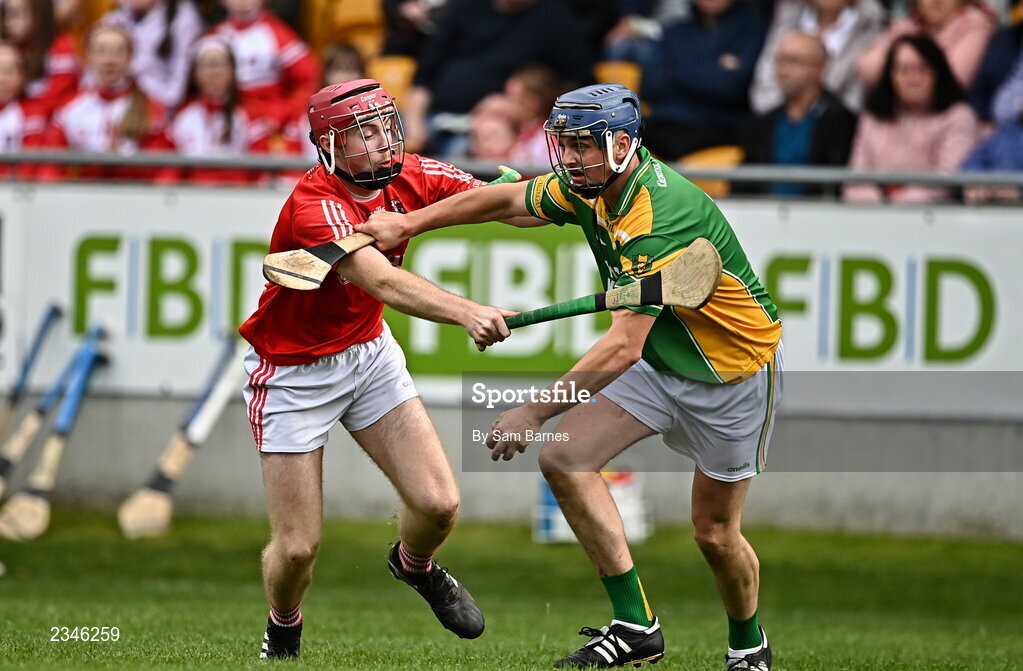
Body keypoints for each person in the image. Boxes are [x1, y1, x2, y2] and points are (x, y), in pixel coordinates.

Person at [359, 84, 783, 670]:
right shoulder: (593, 186)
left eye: (585, 145)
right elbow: (506, 203)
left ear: (624, 144)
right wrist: (409, 225)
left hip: (730, 374)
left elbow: (621, 347)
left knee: (714, 534)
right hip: (664, 356)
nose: (572, 156)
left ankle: (748, 647)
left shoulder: (656, 216)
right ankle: (636, 626)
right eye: (565, 144)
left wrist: (533, 412)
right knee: (565, 459)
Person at [238, 78, 518, 660]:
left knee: (439, 504)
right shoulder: (315, 205)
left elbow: (508, 205)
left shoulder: (412, 173)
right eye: (362, 133)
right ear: (329, 147)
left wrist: (579, 195)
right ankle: (283, 625)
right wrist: (468, 312)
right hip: (292, 373)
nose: (382, 140)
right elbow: (383, 280)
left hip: (367, 354)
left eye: (385, 124)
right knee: (296, 550)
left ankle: (415, 567)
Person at [845, 35, 978, 203]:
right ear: (890, 75)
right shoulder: (872, 116)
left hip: (933, 215)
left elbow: (949, 177)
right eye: (904, 70)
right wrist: (876, 205)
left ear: (938, 73)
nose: (913, 79)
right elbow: (857, 176)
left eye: (922, 69)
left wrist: (898, 206)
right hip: (871, 213)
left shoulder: (958, 116)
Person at [40, 24, 174, 182]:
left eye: (118, 52)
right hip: (82, 199)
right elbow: (51, 167)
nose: (109, 60)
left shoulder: (152, 109)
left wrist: (120, 162)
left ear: (130, 57)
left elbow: (164, 171)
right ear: (88, 57)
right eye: (101, 51)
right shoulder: (70, 108)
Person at [638, 0, 768, 160]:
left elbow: (731, 87)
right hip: (663, 121)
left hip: (715, 126)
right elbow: (649, 87)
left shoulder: (752, 29)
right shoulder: (674, 30)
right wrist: (713, 68)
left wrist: (675, 69)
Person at [738, 31, 858, 196]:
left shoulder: (843, 122)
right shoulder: (762, 123)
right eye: (780, 61)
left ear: (820, 68)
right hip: (763, 213)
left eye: (794, 61)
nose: (783, 71)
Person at [165, 36, 271, 185]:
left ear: (232, 70)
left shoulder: (250, 113)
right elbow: (171, 171)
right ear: (194, 73)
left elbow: (261, 170)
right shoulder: (183, 116)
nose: (213, 72)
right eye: (206, 65)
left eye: (219, 64)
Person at [749, 0, 884, 113]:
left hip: (834, 130)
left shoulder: (869, 28)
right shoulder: (788, 16)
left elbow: (855, 99)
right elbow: (764, 84)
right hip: (775, 120)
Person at [857, 0, 995, 90]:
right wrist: (904, 37)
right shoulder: (908, 27)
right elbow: (867, 69)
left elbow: (952, 83)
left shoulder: (975, 24)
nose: (936, 1)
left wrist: (899, 71)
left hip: (945, 123)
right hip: (897, 119)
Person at [102, 0, 205, 110]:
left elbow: (178, 90)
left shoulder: (185, 17)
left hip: (163, 107)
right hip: (120, 102)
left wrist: (143, 91)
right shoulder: (116, 17)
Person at [0, 0, 79, 117]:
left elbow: (58, 97)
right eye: (7, 14)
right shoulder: (8, 48)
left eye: (17, 14)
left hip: (50, 119)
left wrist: (26, 113)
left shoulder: (60, 48)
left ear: (39, 15)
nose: (10, 21)